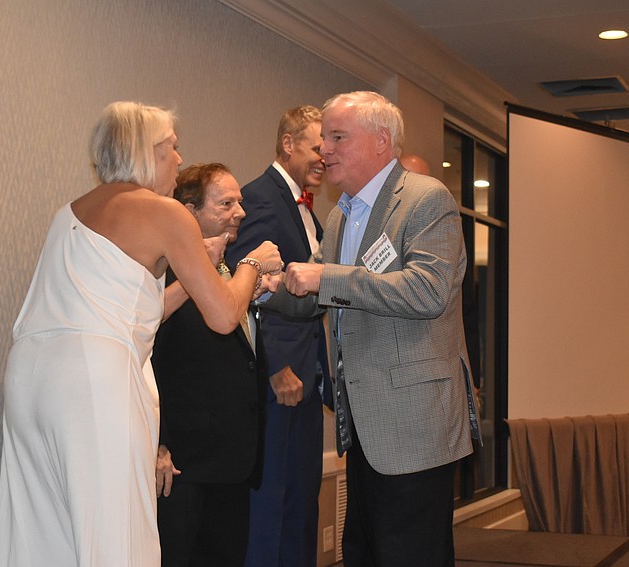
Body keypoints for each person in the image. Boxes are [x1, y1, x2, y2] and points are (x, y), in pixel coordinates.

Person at [0, 102, 281, 567]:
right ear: (145, 152)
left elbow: (133, 314)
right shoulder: (165, 212)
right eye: (172, 147)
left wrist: (197, 271)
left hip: (31, 380)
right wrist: (251, 264)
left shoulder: (70, 212)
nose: (180, 159)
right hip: (94, 384)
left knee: (48, 531)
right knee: (115, 530)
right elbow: (225, 316)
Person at [277, 91, 479, 566]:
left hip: (414, 428)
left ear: (381, 141)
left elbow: (427, 292)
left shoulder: (427, 199)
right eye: (323, 138)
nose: (324, 149)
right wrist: (264, 288)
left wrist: (325, 277)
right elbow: (323, 297)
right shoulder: (340, 216)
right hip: (363, 428)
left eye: (337, 137)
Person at [225, 105, 328, 567]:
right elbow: (244, 291)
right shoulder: (262, 199)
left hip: (306, 377)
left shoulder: (303, 205)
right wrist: (273, 367)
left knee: (301, 508)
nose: (325, 157)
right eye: (317, 147)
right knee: (271, 512)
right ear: (288, 144)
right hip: (279, 381)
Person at [151, 163, 268, 566]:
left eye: (240, 202)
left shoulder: (227, 270)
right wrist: (157, 443)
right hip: (182, 466)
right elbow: (144, 358)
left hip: (232, 462)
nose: (240, 212)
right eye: (226, 204)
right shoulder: (160, 274)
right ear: (190, 212)